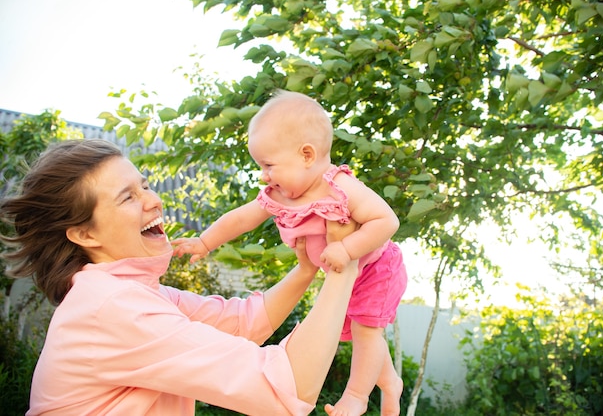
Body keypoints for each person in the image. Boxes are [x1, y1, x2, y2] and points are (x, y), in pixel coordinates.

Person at [0, 138, 361, 416]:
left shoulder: (130, 293)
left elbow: (244, 322)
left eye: (144, 185)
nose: (154, 200)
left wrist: (307, 269)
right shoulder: (114, 307)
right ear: (84, 234)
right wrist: (345, 262)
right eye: (128, 198)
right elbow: (287, 388)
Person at [172, 90, 408, 416]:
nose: (263, 175)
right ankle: (391, 382)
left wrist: (347, 247)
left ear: (307, 155)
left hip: (379, 265)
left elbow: (386, 220)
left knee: (366, 329)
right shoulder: (279, 195)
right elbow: (242, 217)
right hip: (342, 272)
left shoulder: (339, 187)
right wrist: (205, 241)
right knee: (357, 331)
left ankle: (356, 395)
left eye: (269, 165)